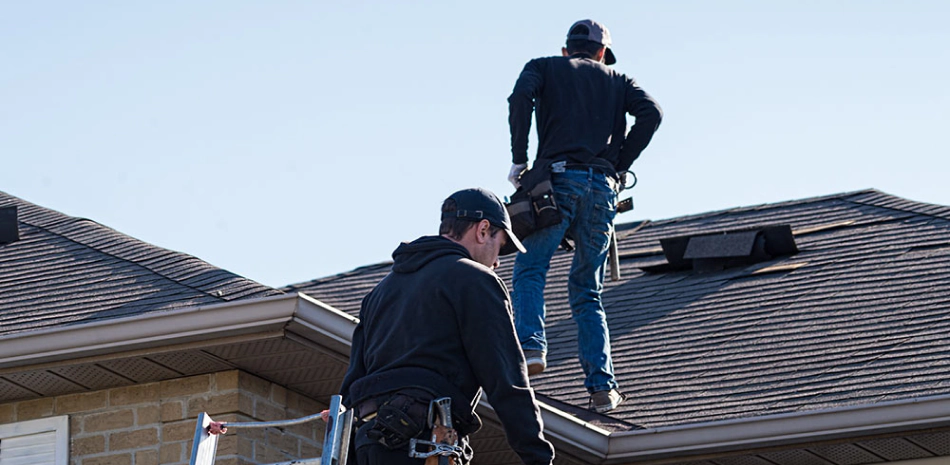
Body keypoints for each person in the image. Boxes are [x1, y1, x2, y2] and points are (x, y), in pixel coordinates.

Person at [507, 19, 663, 413]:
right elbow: (652, 114)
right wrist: (619, 162)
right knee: (587, 290)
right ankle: (602, 388)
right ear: (600, 53)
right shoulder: (618, 80)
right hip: (602, 189)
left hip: (557, 183)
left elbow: (519, 99)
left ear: (566, 50)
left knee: (530, 268)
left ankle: (530, 348)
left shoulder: (544, 67)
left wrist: (520, 159)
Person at [340, 187, 555, 465]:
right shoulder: (475, 280)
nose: (497, 261)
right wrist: (538, 457)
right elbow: (505, 380)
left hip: (368, 441)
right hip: (421, 442)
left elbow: (351, 385)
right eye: (499, 245)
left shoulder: (380, 292)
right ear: (483, 229)